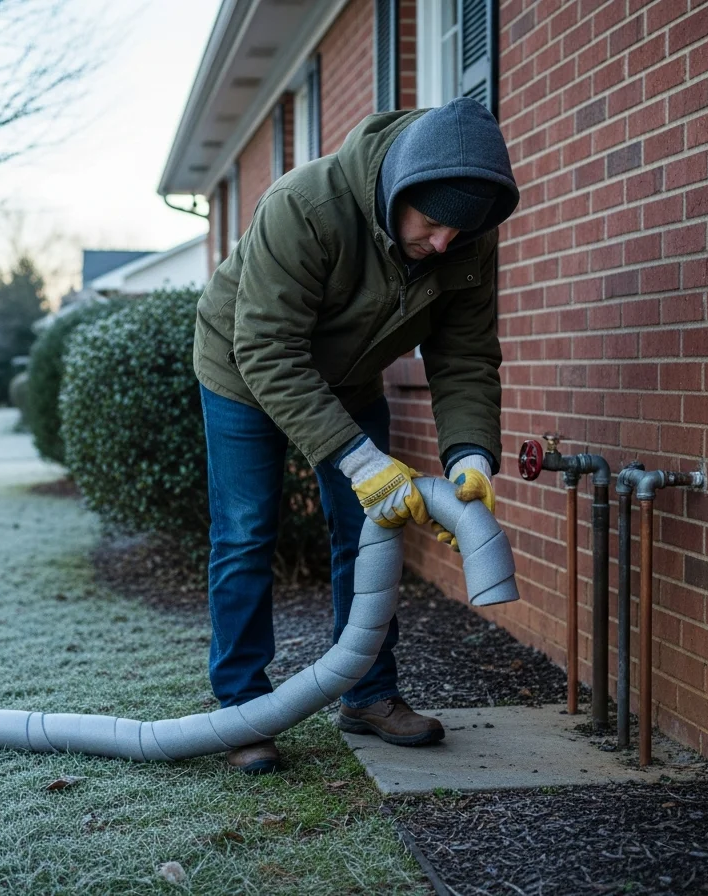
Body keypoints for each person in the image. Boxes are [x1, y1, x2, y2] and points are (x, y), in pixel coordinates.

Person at [192, 97, 521, 774]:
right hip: (246, 368)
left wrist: (471, 458)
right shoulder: (304, 206)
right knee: (248, 529)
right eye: (430, 226)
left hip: (351, 375)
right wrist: (359, 457)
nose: (442, 246)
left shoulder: (465, 233)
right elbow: (268, 349)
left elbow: (464, 357)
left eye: (457, 235)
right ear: (398, 189)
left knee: (368, 526)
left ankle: (367, 695)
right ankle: (241, 708)